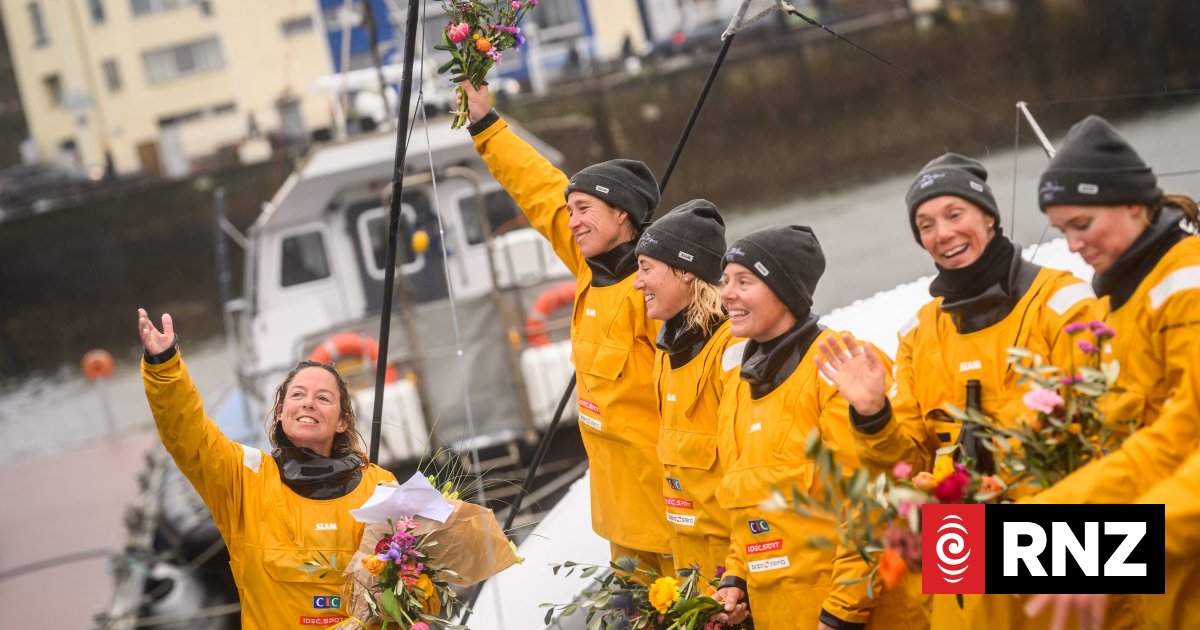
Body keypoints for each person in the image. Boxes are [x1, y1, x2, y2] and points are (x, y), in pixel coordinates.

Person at [814, 152, 1134, 629]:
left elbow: (1119, 436)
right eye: (925, 225)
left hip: (1070, 535)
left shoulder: (1063, 304)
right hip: (962, 543)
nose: (942, 234)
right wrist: (872, 413)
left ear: (989, 215)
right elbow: (905, 469)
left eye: (954, 214)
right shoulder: (918, 334)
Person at [458, 83, 674, 576]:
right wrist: (486, 125)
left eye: (585, 209)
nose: (572, 220)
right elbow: (537, 188)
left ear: (623, 214)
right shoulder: (586, 264)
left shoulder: (655, 292)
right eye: (571, 210)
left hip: (671, 513)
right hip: (618, 517)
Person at [1019, 115, 1200, 630]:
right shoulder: (1121, 301)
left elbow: (1183, 439)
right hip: (1152, 541)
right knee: (956, 559)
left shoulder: (1185, 281)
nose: (1072, 246)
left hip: (1170, 535)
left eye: (1082, 225)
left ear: (1133, 205)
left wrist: (1082, 547)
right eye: (1062, 231)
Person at [709, 227, 926, 630]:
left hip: (853, 618)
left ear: (785, 291)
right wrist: (735, 578)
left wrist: (841, 615)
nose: (726, 294)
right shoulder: (739, 385)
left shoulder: (839, 370)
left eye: (744, 281)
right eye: (725, 282)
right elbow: (748, 505)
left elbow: (872, 509)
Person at [135, 309, 397, 630]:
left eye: (324, 398)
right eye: (297, 395)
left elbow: (420, 586)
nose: (308, 402)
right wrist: (165, 366)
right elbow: (189, 435)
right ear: (279, 415)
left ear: (344, 421)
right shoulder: (245, 479)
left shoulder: (380, 487)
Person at [631, 200, 745, 583]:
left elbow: (749, 467)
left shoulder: (731, 349)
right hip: (687, 564)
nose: (637, 282)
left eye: (647, 268)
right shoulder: (666, 352)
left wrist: (738, 577)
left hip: (729, 570)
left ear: (686, 271)